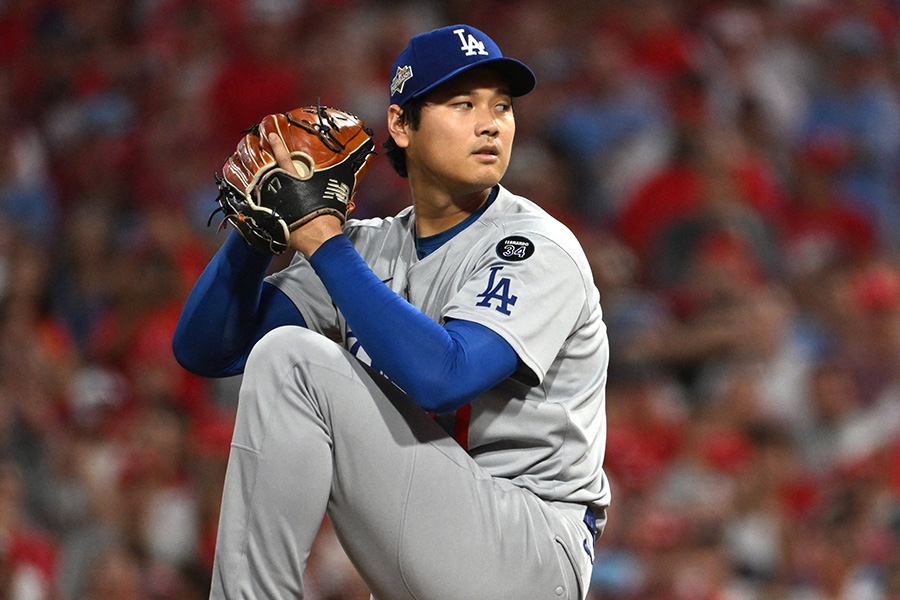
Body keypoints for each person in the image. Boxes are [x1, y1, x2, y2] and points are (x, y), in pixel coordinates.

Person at [173, 24, 610, 600]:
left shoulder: (533, 246)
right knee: (281, 355)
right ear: (401, 125)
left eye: (502, 106)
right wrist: (255, 233)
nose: (491, 123)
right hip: (429, 549)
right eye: (463, 104)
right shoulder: (367, 249)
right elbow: (209, 350)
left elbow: (444, 378)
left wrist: (322, 243)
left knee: (294, 358)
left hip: (528, 551)